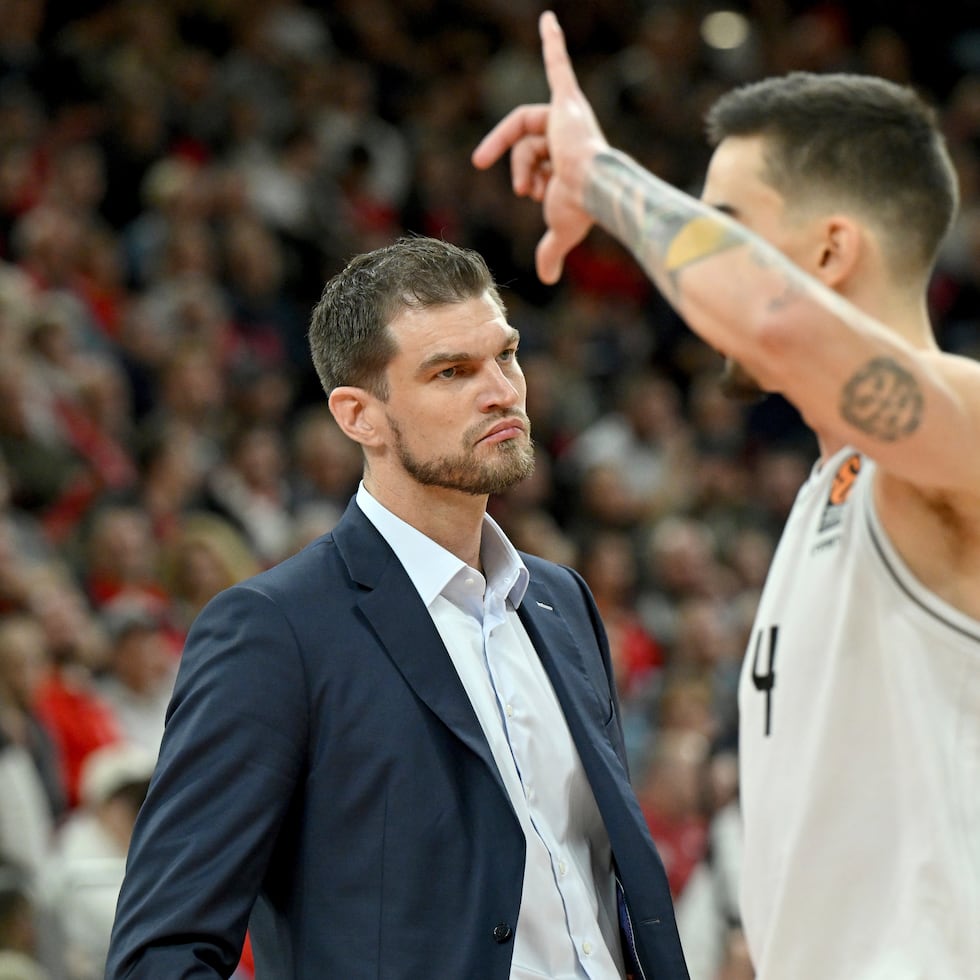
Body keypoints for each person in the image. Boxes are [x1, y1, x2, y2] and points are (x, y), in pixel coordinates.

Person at [473, 11, 980, 979]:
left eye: (728, 229)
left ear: (829, 252)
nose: (694, 273)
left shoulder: (959, 433)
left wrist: (601, 178)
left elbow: (771, 317)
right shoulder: (829, 494)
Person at [105, 235, 690, 979]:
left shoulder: (562, 601)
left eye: (506, 355)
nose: (502, 391)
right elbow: (161, 953)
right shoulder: (274, 632)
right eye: (452, 371)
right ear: (359, 416)